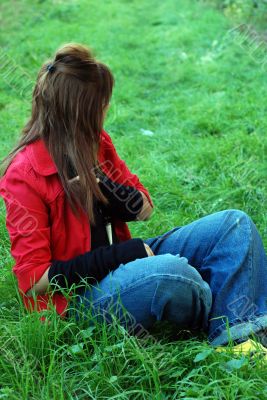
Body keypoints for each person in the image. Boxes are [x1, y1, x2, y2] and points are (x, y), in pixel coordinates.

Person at [0, 43, 266, 355]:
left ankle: (235, 339)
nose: (106, 109)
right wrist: (120, 255)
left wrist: (101, 186)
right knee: (172, 272)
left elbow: (145, 209)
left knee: (234, 225)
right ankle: (222, 298)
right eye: (100, 104)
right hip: (79, 301)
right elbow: (33, 281)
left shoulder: (97, 142)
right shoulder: (24, 174)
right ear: (78, 112)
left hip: (124, 269)